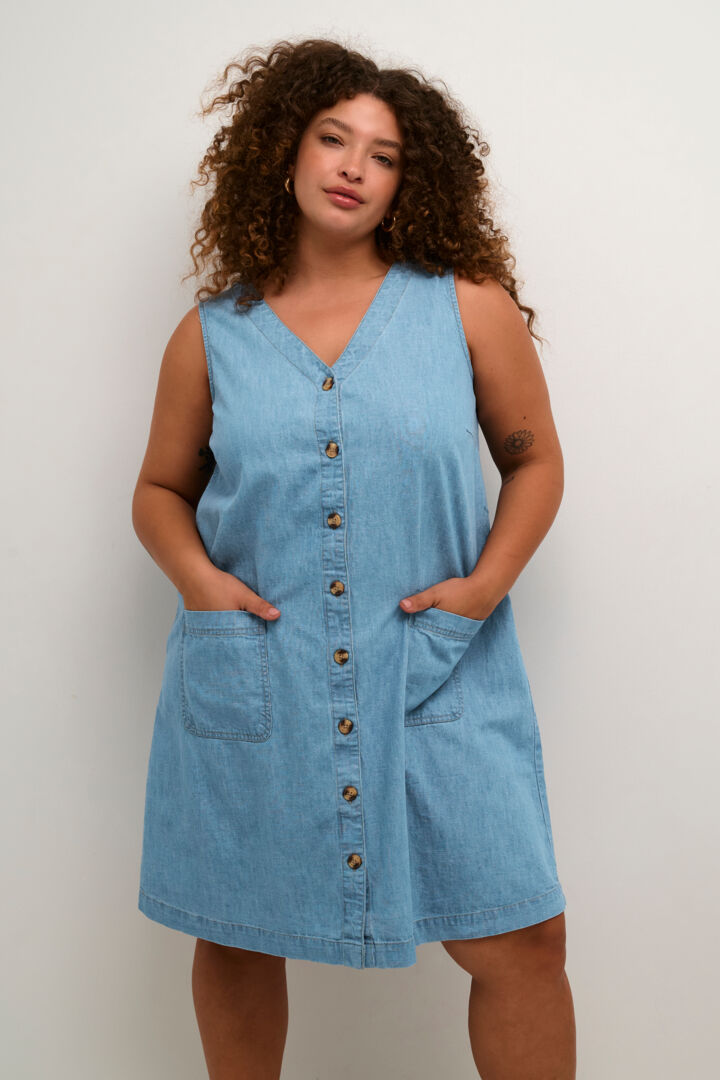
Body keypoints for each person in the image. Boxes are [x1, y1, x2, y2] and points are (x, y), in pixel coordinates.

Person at [132, 36, 577, 1080]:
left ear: (408, 182)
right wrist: (203, 586)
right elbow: (159, 492)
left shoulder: (466, 305)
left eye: (384, 155)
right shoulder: (214, 335)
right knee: (236, 929)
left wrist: (480, 591)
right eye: (334, 140)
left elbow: (536, 461)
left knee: (520, 937)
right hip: (261, 673)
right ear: (284, 151)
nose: (353, 168)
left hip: (440, 669)